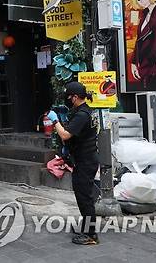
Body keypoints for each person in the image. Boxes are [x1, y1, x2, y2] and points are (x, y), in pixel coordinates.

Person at [47, 81, 99, 245]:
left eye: (69, 97)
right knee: (82, 195)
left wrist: (55, 121)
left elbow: (65, 135)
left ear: (75, 97)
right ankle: (86, 227)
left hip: (86, 161)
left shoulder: (82, 115)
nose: (68, 100)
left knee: (85, 198)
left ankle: (91, 235)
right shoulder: (83, 111)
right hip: (85, 159)